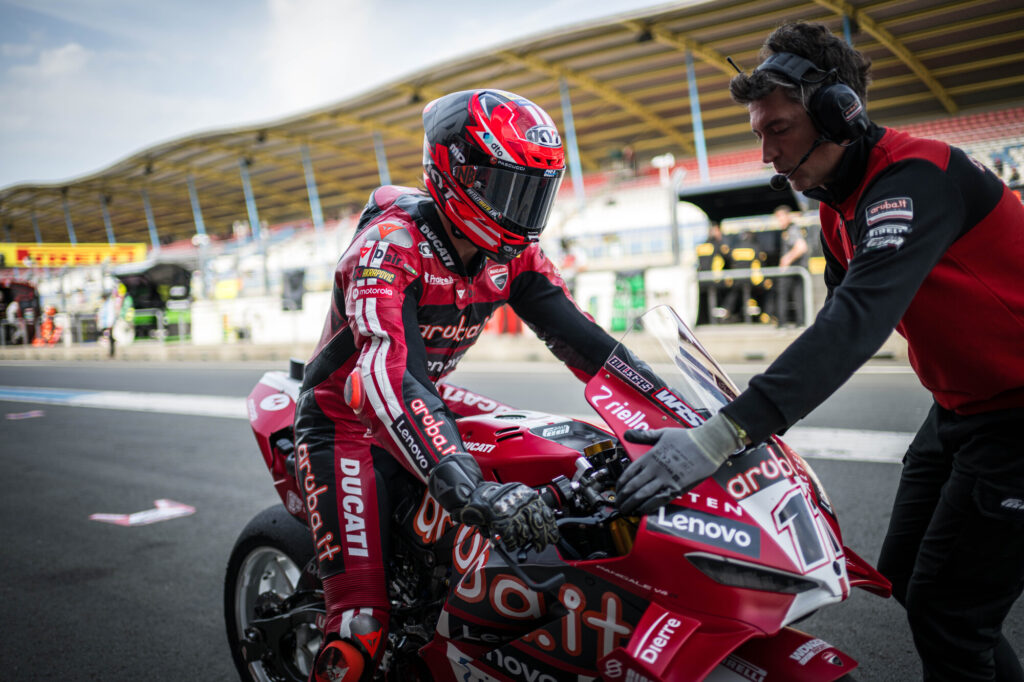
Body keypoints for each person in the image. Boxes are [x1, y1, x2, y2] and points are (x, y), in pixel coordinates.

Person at [616, 21, 1024, 681]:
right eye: (758, 134)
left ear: (840, 114)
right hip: (961, 408)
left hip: (1015, 416)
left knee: (952, 615)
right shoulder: (837, 205)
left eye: (778, 129)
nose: (767, 154)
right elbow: (831, 320)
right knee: (910, 579)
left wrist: (722, 437)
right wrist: (735, 411)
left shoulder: (916, 178)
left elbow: (855, 325)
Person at [295, 89, 618, 682]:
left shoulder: (515, 256)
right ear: (454, 171)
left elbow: (591, 346)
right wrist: (472, 493)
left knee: (567, 449)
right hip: (346, 420)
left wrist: (681, 425)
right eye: (507, 188)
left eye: (534, 193)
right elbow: (388, 373)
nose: (521, 211)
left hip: (422, 398)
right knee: (361, 631)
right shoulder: (387, 248)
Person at [771, 204, 808, 326]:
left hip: (791, 270)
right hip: (796, 269)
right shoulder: (790, 230)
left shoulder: (792, 230)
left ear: (787, 216)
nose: (779, 221)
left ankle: (782, 323)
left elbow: (801, 247)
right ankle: (800, 322)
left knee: (783, 294)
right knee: (798, 296)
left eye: (780, 217)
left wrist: (786, 259)